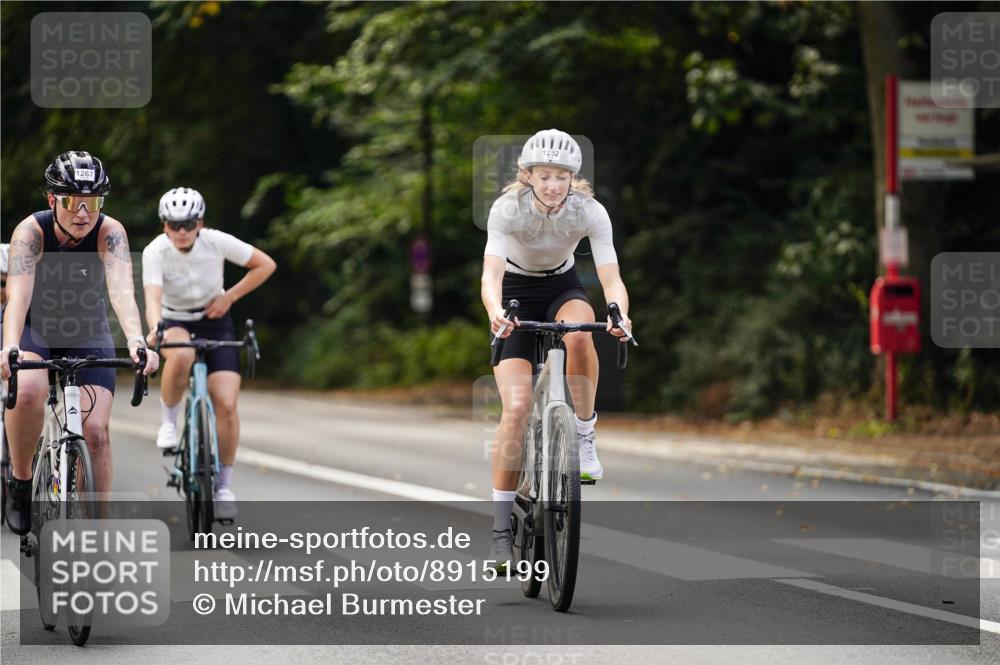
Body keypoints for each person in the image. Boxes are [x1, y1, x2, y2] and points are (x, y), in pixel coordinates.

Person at [481, 129, 634, 567]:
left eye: (562, 177)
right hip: (513, 292)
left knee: (582, 333)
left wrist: (618, 313)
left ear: (573, 179)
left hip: (561, 287)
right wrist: (495, 310)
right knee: (516, 408)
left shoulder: (590, 211)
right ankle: (499, 530)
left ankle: (584, 437)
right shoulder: (507, 208)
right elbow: (490, 275)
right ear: (527, 175)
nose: (553, 185)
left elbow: (611, 279)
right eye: (544, 176)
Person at [1, 151, 160, 535]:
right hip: (35, 329)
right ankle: (21, 484)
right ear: (53, 199)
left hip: (86, 330)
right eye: (73, 202)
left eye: (93, 203)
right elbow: (17, 298)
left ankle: (98, 533)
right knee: (27, 393)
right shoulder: (31, 232)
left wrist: (137, 340)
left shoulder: (111, 233)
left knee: (97, 433)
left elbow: (122, 292)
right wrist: (9, 346)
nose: (84, 213)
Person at [142, 187, 275, 518]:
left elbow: (265, 265)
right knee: (183, 354)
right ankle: (169, 423)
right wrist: (156, 327)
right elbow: (153, 300)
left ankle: (224, 485)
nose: (182, 232)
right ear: (164, 226)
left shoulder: (216, 241)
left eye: (188, 223)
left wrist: (229, 296)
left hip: (215, 322)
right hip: (175, 321)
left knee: (227, 405)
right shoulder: (155, 251)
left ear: (200, 222)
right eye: (174, 225)